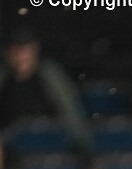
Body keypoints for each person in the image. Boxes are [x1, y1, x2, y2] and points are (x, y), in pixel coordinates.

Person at [0, 26, 91, 155]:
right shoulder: (4, 77)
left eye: (26, 50)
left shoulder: (50, 75)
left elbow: (70, 112)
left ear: (35, 49)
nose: (22, 56)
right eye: (17, 50)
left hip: (50, 141)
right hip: (11, 146)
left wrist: (82, 148)